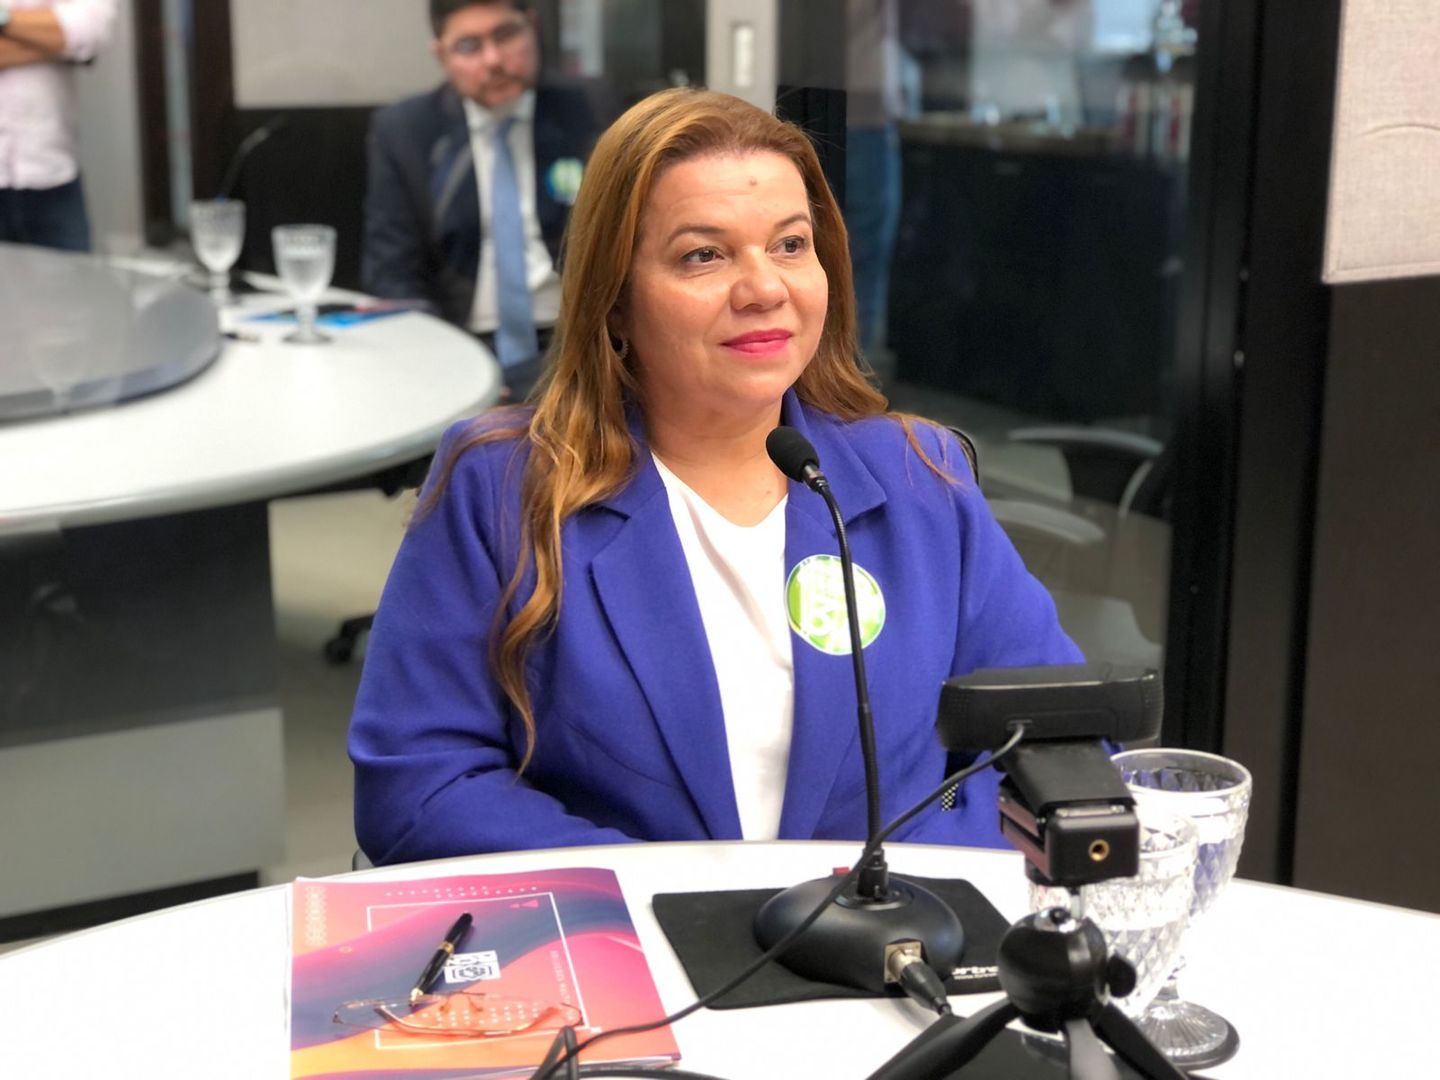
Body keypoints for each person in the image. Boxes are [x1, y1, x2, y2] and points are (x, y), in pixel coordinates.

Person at [349, 87, 1082, 866]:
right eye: (704, 254)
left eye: (791, 245)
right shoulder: (499, 490)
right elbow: (419, 789)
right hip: (622, 961)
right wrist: (682, 899)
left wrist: (893, 884)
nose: (765, 288)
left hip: (898, 953)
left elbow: (1054, 735)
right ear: (616, 300)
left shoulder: (918, 477)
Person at [363, 0, 613, 399]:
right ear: (442, 55)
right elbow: (393, 270)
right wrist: (445, 363)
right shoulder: (406, 130)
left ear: (532, 28)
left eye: (506, 35)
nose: (494, 60)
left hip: (575, 343)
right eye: (469, 46)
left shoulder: (590, 108)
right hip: (460, 343)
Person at [0, 0, 117, 252]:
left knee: (74, 287)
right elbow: (73, 37)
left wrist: (4, 19)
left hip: (53, 172)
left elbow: (93, 29)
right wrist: (53, 40)